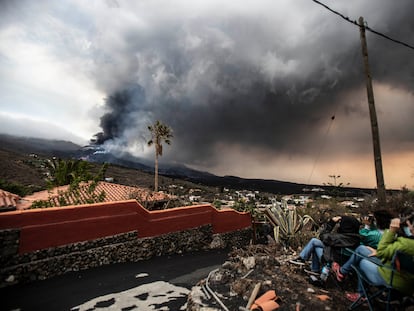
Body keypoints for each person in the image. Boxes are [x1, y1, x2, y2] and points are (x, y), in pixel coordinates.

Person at [341, 217, 414, 302]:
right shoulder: (407, 243)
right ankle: (343, 272)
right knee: (362, 249)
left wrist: (391, 231)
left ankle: (361, 294)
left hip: (394, 279)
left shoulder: (406, 244)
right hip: (406, 280)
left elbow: (381, 251)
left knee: (361, 260)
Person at [332, 209, 393, 282]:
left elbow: (360, 236)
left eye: (374, 219)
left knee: (360, 252)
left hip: (379, 260)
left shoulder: (375, 235)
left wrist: (367, 226)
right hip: (383, 257)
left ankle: (342, 271)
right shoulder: (388, 232)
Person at [289, 215, 360, 273]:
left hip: (331, 260)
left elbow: (323, 236)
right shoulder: (354, 237)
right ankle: (314, 268)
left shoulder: (340, 238)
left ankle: (304, 260)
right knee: (315, 243)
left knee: (314, 243)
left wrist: (331, 223)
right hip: (339, 258)